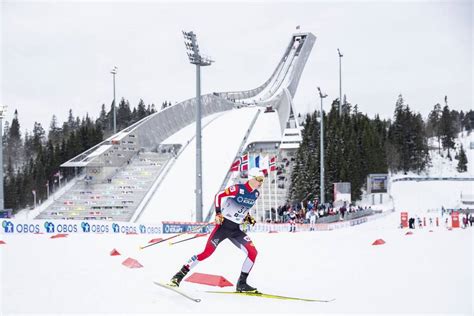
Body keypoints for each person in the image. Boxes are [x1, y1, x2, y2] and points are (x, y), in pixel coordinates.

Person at [169, 168, 265, 292]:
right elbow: (219, 195)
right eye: (259, 179)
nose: (261, 182)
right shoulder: (238, 189)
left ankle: (242, 284)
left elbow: (243, 208)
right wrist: (218, 213)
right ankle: (178, 276)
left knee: (253, 253)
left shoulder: (256, 194)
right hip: (222, 227)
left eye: (262, 180)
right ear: (251, 178)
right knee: (207, 252)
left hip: (236, 230)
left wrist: (247, 217)